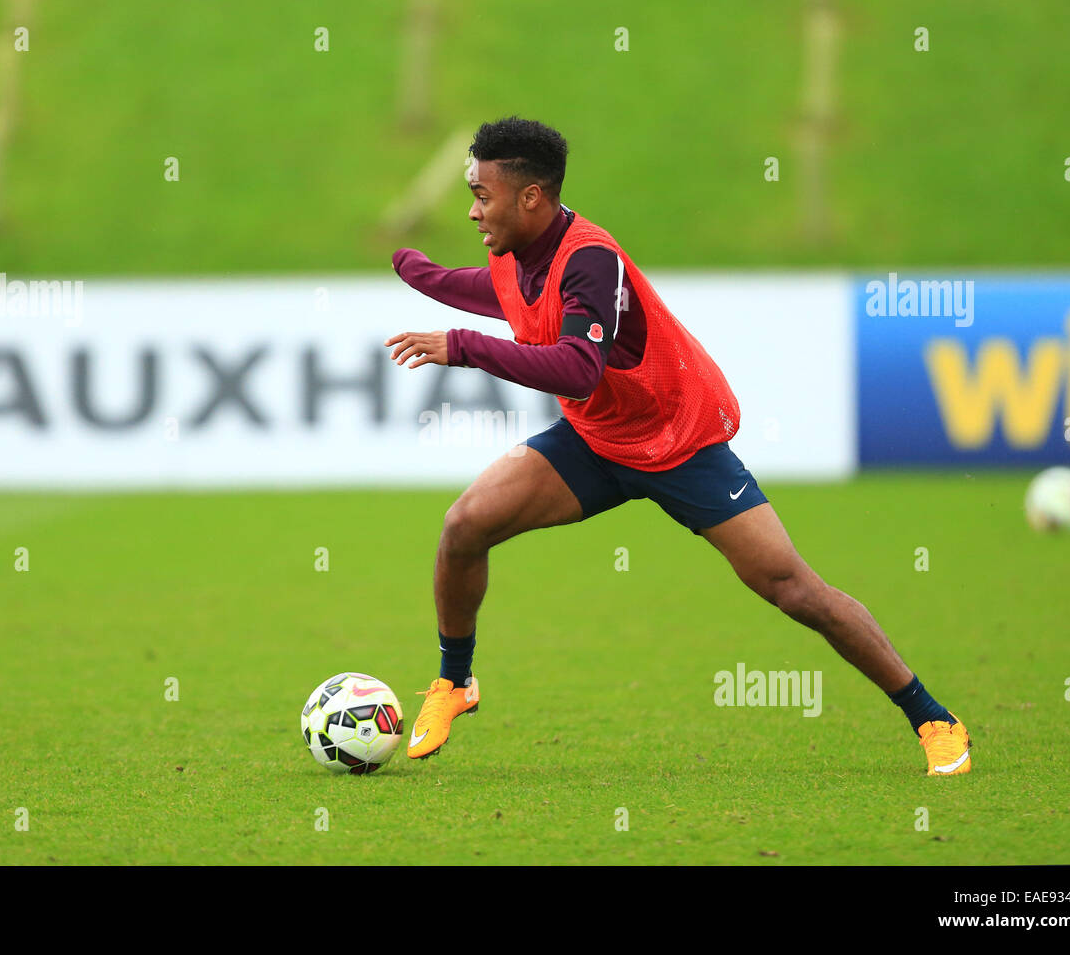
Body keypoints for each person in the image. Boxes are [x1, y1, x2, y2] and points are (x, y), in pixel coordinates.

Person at [385, 116, 970, 776]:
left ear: (532, 197)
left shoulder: (590, 260)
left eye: (483, 196)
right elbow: (480, 290)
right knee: (464, 525)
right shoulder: (513, 257)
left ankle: (932, 716)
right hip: (596, 441)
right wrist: (413, 268)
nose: (472, 210)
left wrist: (460, 346)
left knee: (793, 589)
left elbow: (578, 366)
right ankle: (455, 683)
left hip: (678, 444)